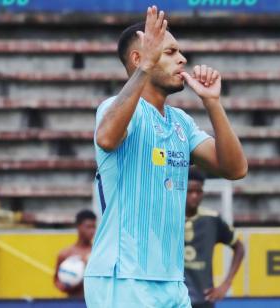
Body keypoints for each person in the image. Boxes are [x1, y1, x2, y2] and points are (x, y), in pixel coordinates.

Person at [84, 5, 247, 308]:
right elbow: (106, 138)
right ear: (138, 58)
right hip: (124, 278)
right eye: (170, 51)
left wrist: (212, 103)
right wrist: (147, 66)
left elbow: (235, 168)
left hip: (172, 281)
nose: (183, 59)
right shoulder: (114, 109)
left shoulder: (181, 122)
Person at [184, 169, 245, 308]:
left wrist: (226, 284)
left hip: (203, 300)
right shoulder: (169, 218)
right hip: (174, 299)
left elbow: (239, 247)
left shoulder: (211, 219)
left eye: (198, 191)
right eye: (190, 191)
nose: (194, 196)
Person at [54, 209, 97, 298]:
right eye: (88, 227)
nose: (92, 231)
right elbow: (56, 280)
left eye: (94, 227)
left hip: (93, 303)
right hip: (73, 302)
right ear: (78, 226)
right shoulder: (65, 254)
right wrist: (66, 285)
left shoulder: (96, 253)